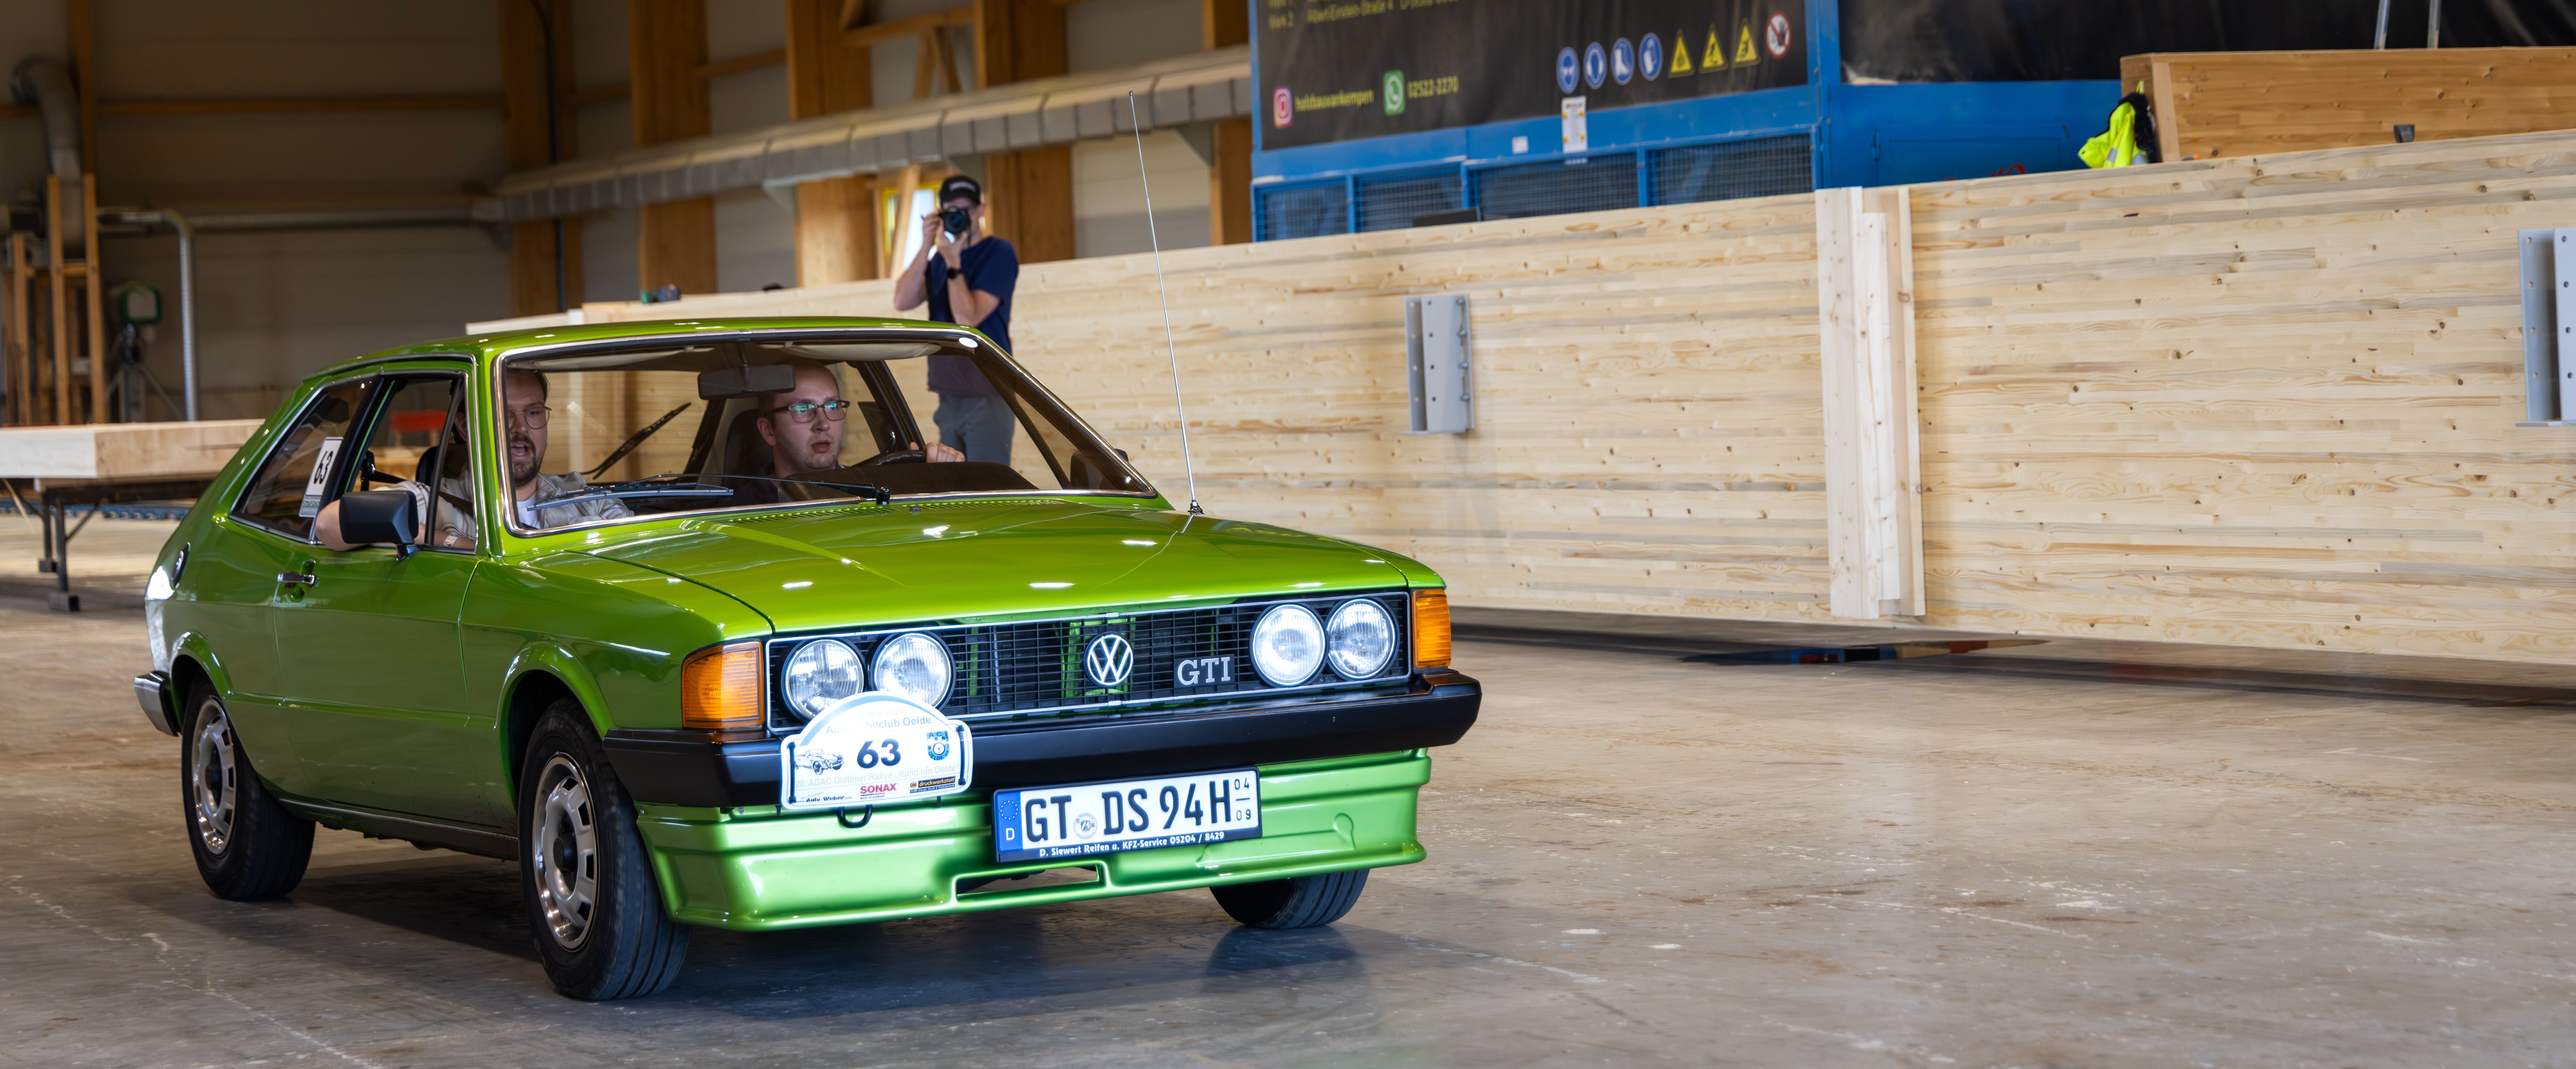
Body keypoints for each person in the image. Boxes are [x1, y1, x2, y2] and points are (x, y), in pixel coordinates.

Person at [315, 367, 629, 551]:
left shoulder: (584, 499)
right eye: (503, 414)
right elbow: (328, 524)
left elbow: (640, 549)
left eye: (533, 412)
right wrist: (449, 542)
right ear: (466, 427)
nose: (522, 428)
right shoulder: (434, 502)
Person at [892, 173, 1019, 466]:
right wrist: (926, 245)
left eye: (967, 209)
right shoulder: (939, 259)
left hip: (988, 389)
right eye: (952, 210)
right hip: (948, 390)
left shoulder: (999, 252)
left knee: (988, 484)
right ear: (941, 215)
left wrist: (953, 262)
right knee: (953, 480)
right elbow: (902, 301)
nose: (960, 216)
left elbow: (967, 317)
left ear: (981, 210)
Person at [731, 361, 959, 506]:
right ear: (768, 431)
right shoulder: (736, 512)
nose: (823, 424)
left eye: (832, 406)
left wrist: (942, 482)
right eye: (802, 409)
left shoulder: (879, 489)